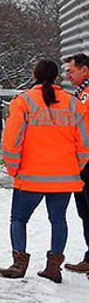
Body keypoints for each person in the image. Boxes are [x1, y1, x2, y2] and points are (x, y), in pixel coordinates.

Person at [0, 58, 89, 283]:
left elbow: (12, 140)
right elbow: (84, 144)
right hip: (64, 177)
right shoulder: (74, 103)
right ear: (56, 77)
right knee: (58, 220)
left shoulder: (23, 101)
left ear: (34, 75)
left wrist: (13, 167)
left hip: (30, 177)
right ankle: (54, 268)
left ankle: (19, 264)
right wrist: (74, 167)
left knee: (19, 219)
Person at [63, 53, 89, 273]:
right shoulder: (81, 93)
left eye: (70, 71)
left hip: (87, 160)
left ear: (84, 70)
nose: (67, 76)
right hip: (82, 161)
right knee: (84, 211)